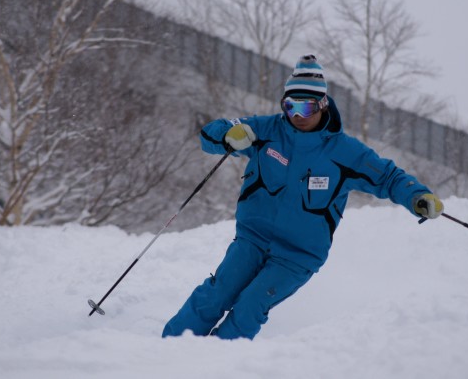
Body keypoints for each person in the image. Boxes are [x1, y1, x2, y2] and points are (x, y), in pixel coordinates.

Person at [162, 54, 443, 340]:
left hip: (297, 256)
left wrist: (417, 196)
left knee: (250, 306)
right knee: (217, 293)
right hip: (252, 238)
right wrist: (229, 135)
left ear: (322, 104)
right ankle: (169, 350)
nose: (297, 115)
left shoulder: (345, 152)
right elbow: (210, 133)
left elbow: (388, 177)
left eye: (306, 107)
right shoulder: (266, 131)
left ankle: (211, 365)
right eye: (290, 106)